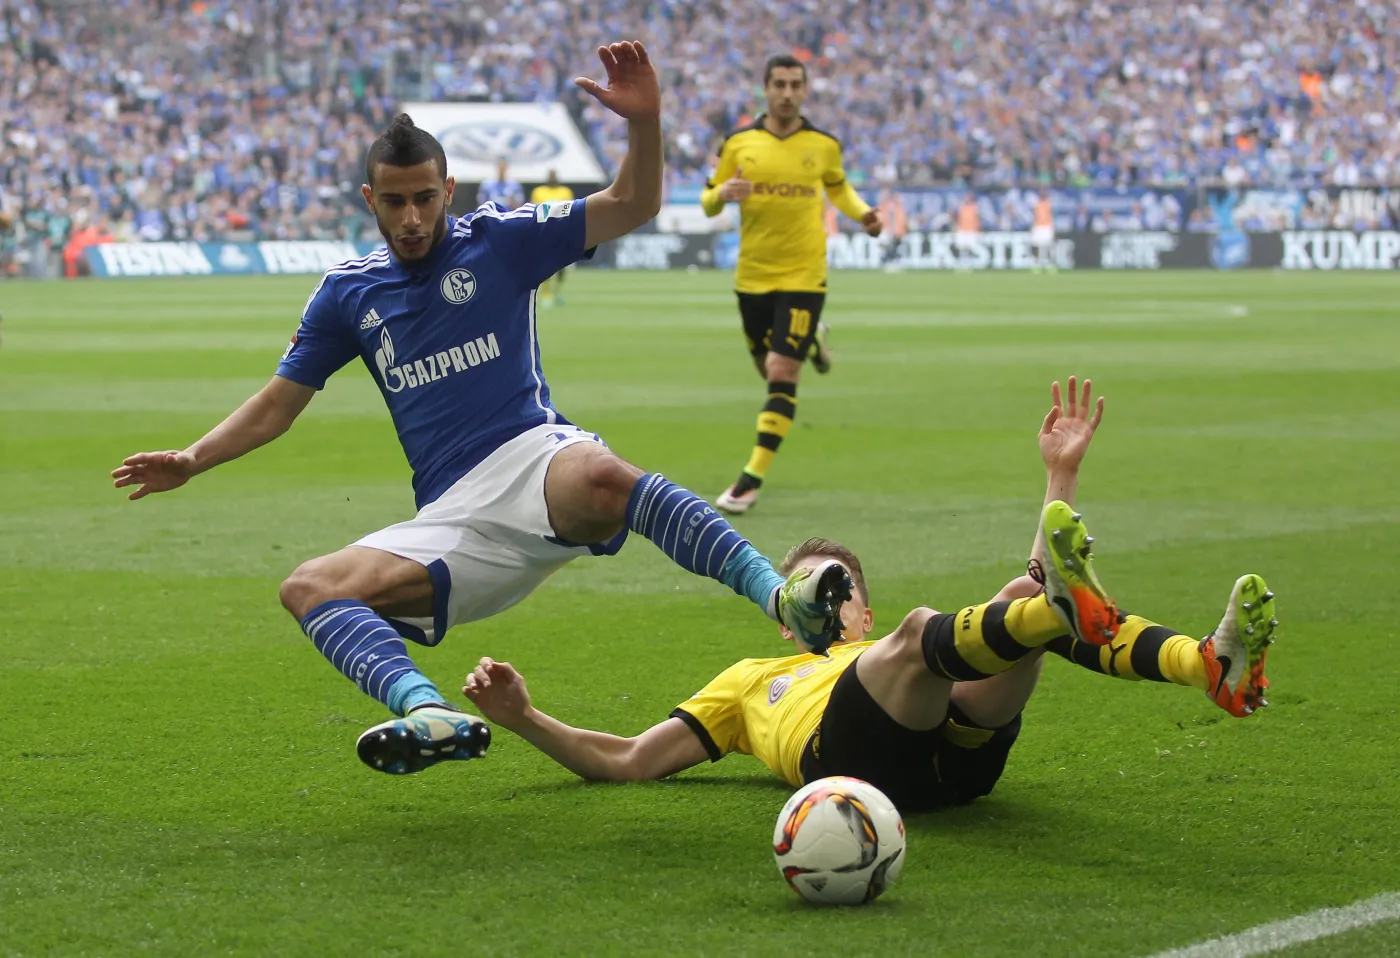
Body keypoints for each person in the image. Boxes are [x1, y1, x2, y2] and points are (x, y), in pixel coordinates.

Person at [111, 42, 853, 777]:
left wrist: (644, 121)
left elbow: (634, 204)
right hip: (452, 518)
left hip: (534, 460)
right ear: (369, 200)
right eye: (394, 202)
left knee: (604, 475)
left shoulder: (501, 239)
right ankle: (426, 711)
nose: (411, 217)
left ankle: (778, 597)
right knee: (308, 588)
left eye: (425, 198)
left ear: (449, 189)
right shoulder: (347, 293)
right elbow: (279, 403)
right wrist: (193, 458)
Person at [462, 378, 1278, 812]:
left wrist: (1059, 476)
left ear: (863, 612)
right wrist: (524, 718)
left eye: (841, 586)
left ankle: (1207, 664)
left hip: (956, 766)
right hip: (847, 763)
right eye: (814, 587)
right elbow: (630, 760)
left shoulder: (890, 648)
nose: (830, 597)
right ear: (788, 618)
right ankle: (1094, 625)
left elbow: (1039, 584)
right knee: (947, 626)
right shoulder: (746, 683)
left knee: (1015, 601)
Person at [700, 54, 884, 516]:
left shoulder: (823, 145)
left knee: (783, 371)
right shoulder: (738, 143)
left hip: (804, 274)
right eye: (779, 84)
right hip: (753, 275)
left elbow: (838, 188)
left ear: (805, 90)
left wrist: (863, 213)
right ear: (766, 89)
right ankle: (813, 341)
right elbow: (707, 201)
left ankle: (750, 479)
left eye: (794, 85)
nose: (786, 93)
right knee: (768, 369)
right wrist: (722, 194)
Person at [529, 170, 575, 307]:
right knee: (545, 264)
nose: (552, 178)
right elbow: (534, 211)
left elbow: (571, 210)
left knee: (562, 266)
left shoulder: (565, 192)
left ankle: (557, 292)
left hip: (562, 233)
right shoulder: (539, 192)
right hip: (544, 233)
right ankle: (546, 294)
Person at [1031, 189, 1057, 272]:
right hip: (1038, 227)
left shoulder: (1049, 204)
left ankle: (1049, 264)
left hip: (1046, 227)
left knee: (1048, 246)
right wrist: (1033, 227)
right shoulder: (1036, 205)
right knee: (1037, 246)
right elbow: (1035, 217)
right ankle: (1037, 264)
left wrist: (1052, 228)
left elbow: (1051, 217)